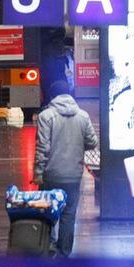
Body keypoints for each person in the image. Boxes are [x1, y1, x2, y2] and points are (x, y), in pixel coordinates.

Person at [32, 80, 99, 257]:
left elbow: (42, 147)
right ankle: (64, 252)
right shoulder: (83, 116)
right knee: (68, 214)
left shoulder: (46, 116)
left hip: (50, 174)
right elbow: (92, 142)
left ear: (53, 96)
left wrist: (38, 172)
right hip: (73, 175)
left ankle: (50, 247)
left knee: (47, 213)